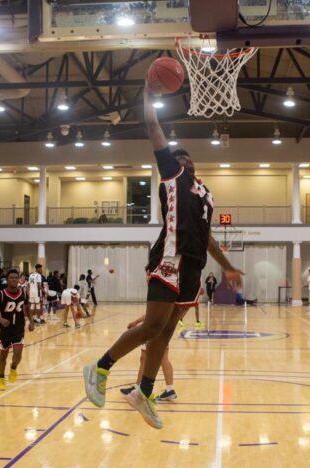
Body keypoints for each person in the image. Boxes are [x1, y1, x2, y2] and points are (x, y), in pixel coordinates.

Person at [83, 81, 242, 429]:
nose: (183, 161)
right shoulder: (173, 174)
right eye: (178, 157)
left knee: (166, 333)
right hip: (170, 258)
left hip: (194, 268)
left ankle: (143, 391)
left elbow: (209, 237)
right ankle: (100, 367)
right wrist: (146, 95)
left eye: (186, 158)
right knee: (152, 325)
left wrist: (228, 266)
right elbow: (152, 127)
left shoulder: (206, 194)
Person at [120, 314, 179, 401]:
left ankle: (138, 387)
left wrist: (135, 322)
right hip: (164, 328)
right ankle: (170, 389)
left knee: (144, 358)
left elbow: (151, 314)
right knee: (163, 358)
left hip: (154, 329)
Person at [0, 269, 35, 390]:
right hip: (5, 330)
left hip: (19, 328)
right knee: (3, 355)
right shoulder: (0, 294)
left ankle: (13, 368)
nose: (14, 279)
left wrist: (31, 321)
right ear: (7, 280)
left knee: (18, 354)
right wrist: (1, 320)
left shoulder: (23, 293)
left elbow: (27, 308)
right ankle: (1, 378)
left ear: (19, 279)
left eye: (16, 278)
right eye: (11, 277)